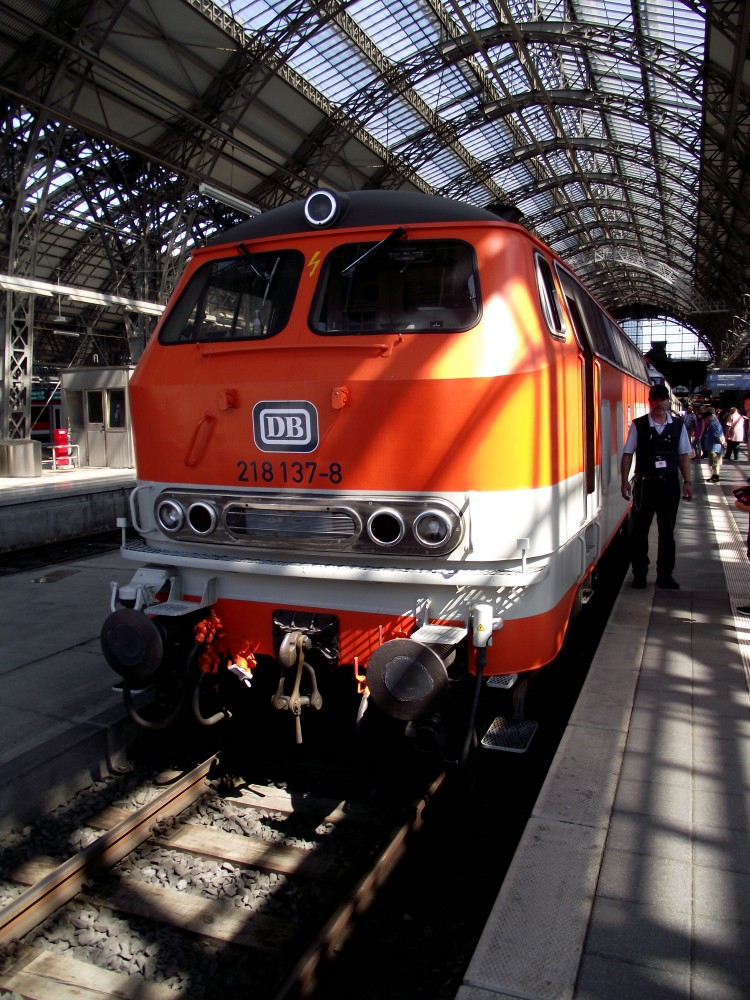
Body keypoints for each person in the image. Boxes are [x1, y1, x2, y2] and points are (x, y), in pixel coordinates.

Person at [620, 383, 693, 589]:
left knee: (667, 532)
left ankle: (665, 576)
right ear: (650, 402)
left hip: (669, 485)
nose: (659, 403)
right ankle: (640, 574)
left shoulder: (678, 426)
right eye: (655, 400)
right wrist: (624, 480)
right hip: (644, 484)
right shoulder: (639, 425)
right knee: (639, 531)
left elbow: (683, 455)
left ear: (668, 402)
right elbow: (628, 454)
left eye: (662, 399)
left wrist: (687, 481)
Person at [701, 406, 726, 482]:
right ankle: (714, 475)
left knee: (715, 463)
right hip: (715, 446)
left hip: (714, 446)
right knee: (715, 463)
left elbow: (717, 435)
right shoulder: (714, 423)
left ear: (710, 416)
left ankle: (716, 476)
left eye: (706, 418)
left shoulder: (713, 424)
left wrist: (722, 443)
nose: (705, 420)